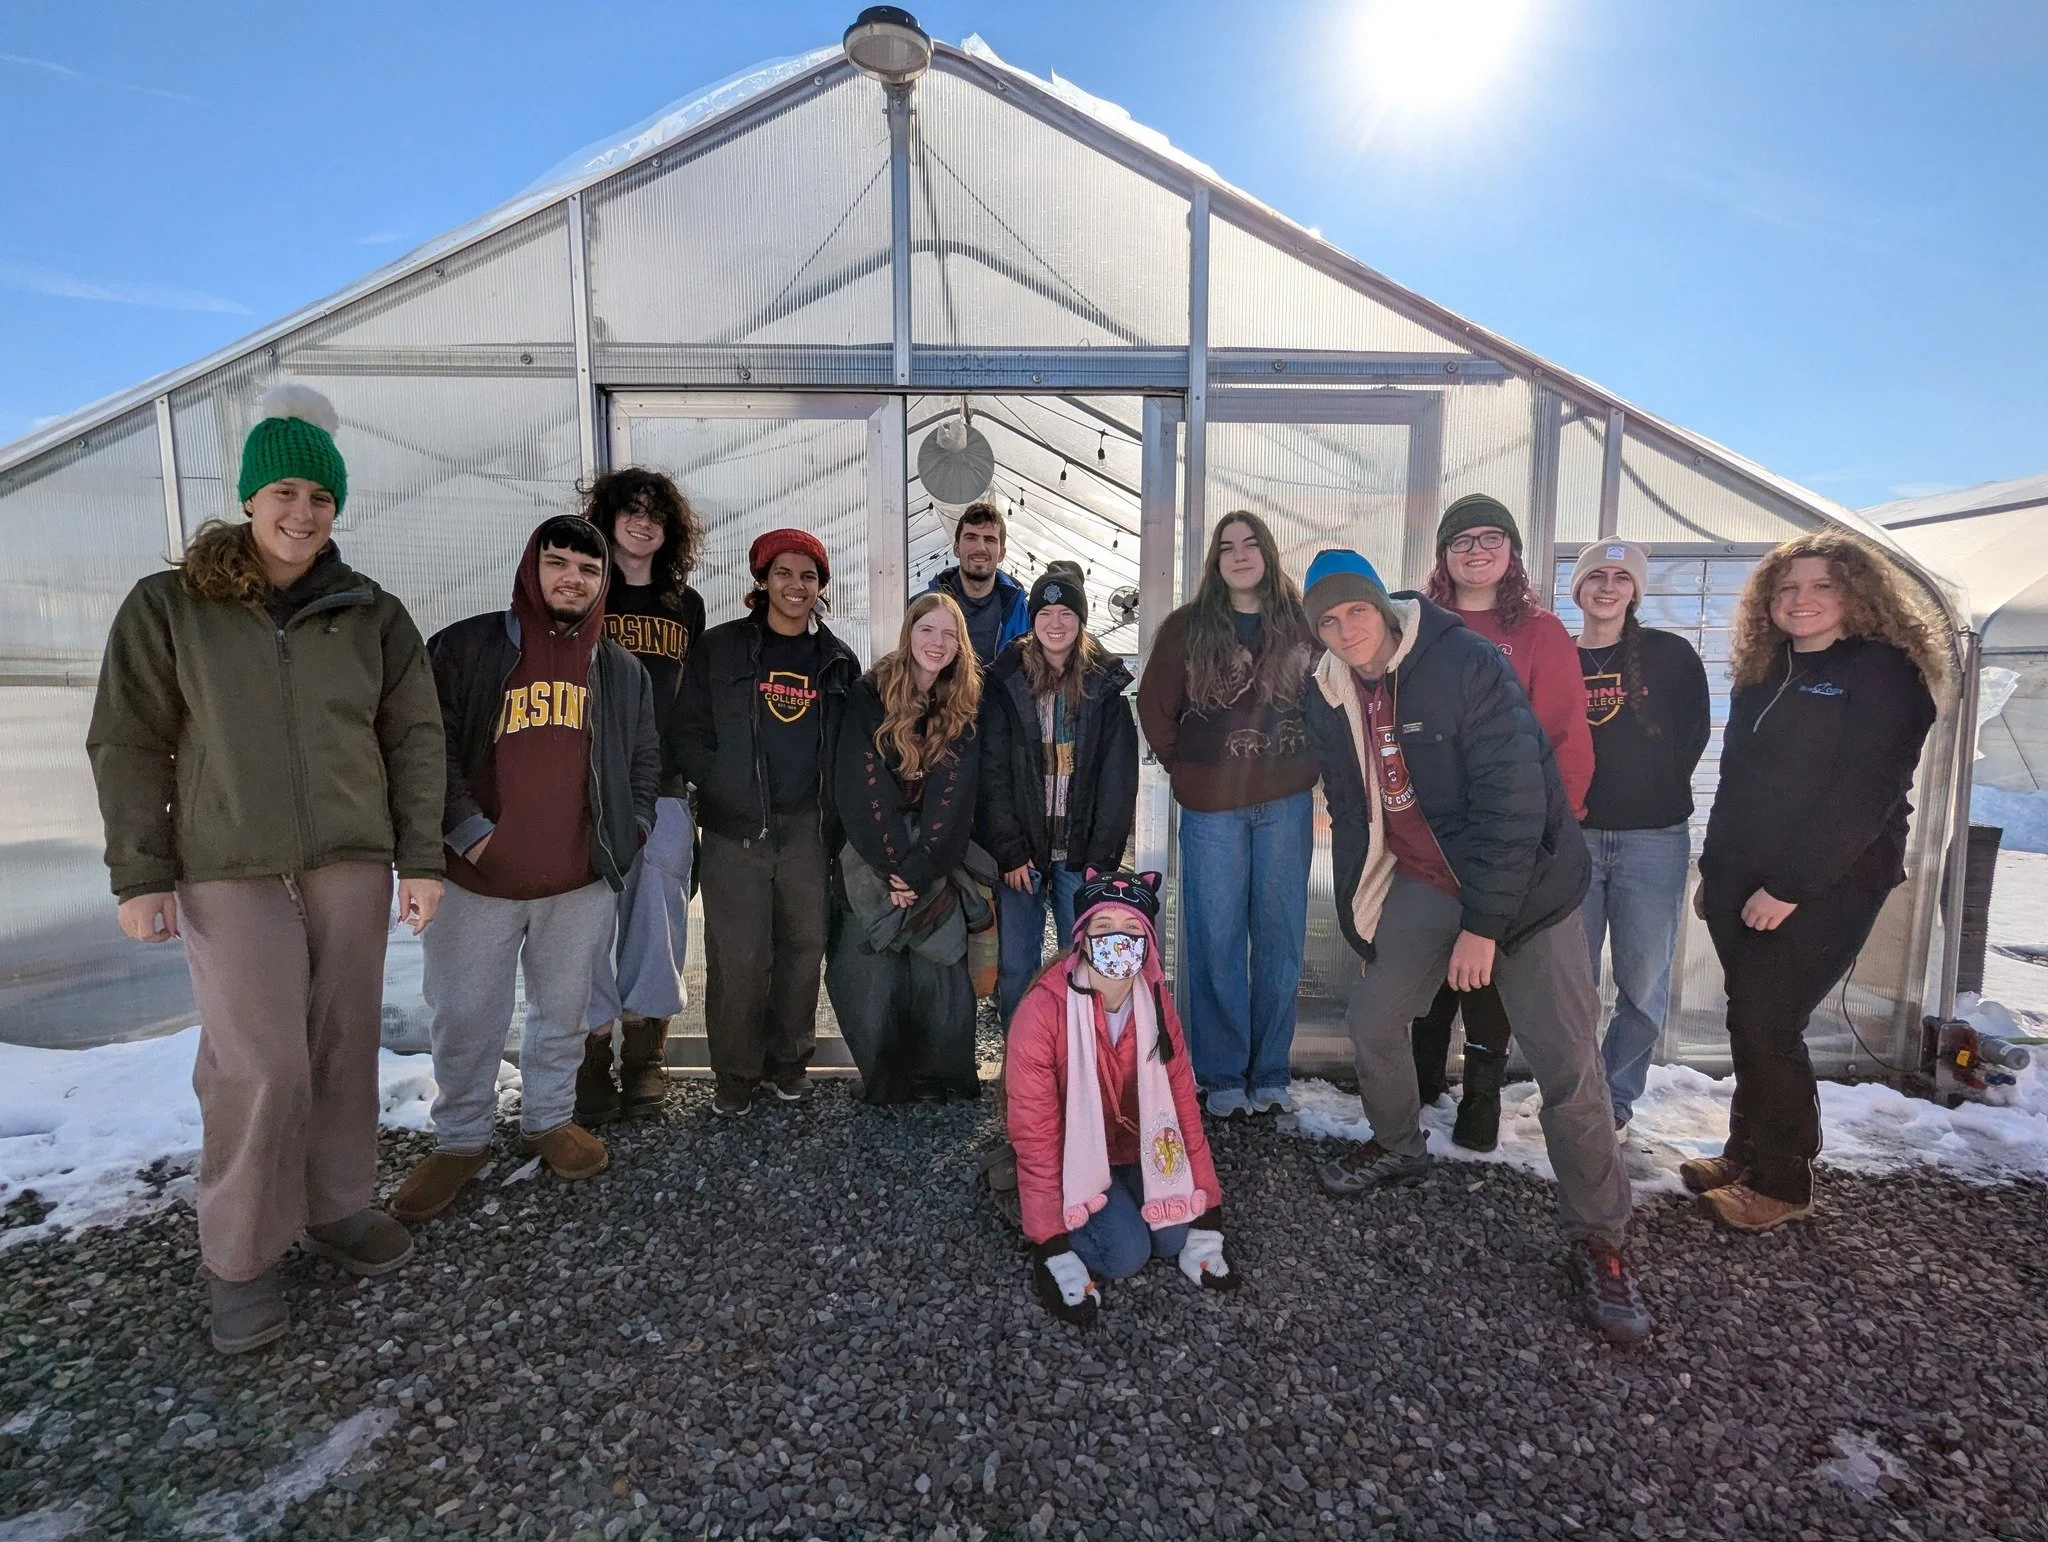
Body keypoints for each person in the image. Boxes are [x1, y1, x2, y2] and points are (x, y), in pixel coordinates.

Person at [87, 383, 446, 1354]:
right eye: (284, 492)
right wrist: (141, 872)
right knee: (261, 1063)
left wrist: (420, 856)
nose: (302, 514)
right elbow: (128, 741)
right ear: (249, 497)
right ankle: (240, 1257)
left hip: (351, 862)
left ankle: (333, 1208)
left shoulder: (371, 613)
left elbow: (414, 738)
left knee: (342, 1044)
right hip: (227, 866)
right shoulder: (172, 608)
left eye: (320, 498)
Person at [1300, 548, 1649, 1345]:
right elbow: (1353, 812)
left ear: (1383, 610)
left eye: (1355, 611)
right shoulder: (1330, 691)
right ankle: (1398, 1145)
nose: (1345, 629)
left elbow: (1517, 804)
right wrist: (1366, 922)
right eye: (1327, 620)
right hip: (1429, 876)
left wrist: (1483, 930)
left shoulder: (1463, 663)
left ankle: (1602, 1238)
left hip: (1526, 887)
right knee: (1375, 1014)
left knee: (1566, 1062)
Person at [390, 514, 660, 1222]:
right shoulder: (466, 648)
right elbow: (426, 749)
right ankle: (461, 1138)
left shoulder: (620, 668)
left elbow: (642, 760)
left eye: (588, 570)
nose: (573, 578)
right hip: (476, 879)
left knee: (562, 1013)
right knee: (467, 1013)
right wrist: (470, 835)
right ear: (531, 569)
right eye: (559, 563)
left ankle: (548, 1120)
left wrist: (626, 835)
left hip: (577, 882)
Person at [1689, 532, 1941, 1232]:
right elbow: (1734, 781)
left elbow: (1866, 793)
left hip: (1827, 883)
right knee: (1749, 1014)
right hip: (1745, 878)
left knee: (1771, 1020)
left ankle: (1783, 1181)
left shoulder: (1882, 673)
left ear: (1855, 594)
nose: (1801, 600)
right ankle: (1745, 1153)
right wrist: (1716, 871)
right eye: (1787, 588)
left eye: (1821, 586)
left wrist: (1792, 886)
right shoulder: (1765, 672)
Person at [1410, 494, 1594, 1153]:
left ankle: (1480, 1095)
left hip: (1509, 835)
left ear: (1512, 551)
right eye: (1462, 540)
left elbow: (1568, 737)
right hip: (1432, 835)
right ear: (1443, 557)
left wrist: (1548, 832)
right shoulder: (1422, 629)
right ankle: (1422, 1080)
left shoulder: (1540, 634)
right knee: (1431, 957)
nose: (1477, 549)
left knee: (1487, 968)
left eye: (1492, 537)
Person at [1135, 511, 1319, 1118]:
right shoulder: (1188, 629)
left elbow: (1335, 693)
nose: (1239, 556)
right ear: (1214, 562)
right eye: (1226, 547)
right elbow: (1154, 705)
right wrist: (1185, 771)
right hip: (1213, 809)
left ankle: (1269, 1070)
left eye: (1250, 544)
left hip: (1286, 802)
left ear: (1267, 552)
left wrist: (1315, 767)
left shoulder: (1300, 624)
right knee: (1214, 937)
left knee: (1279, 935)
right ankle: (1220, 1075)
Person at [672, 529, 859, 1117]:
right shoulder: (721, 650)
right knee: (738, 954)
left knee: (803, 949)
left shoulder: (836, 661)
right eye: (784, 573)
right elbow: (687, 730)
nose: (795, 585)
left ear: (820, 588)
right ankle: (734, 1073)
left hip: (808, 829)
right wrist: (723, 785)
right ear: (762, 580)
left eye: (808, 576)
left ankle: (789, 1063)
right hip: (737, 829)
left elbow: (851, 749)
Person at [1005, 870, 1237, 1325]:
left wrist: (1209, 1211)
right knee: (1126, 1255)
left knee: (1174, 1239)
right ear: (1082, 938)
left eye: (1132, 929)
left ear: (1148, 942)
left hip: (1133, 1150)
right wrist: (1049, 1244)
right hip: (1073, 1158)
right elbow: (1036, 1134)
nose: (1118, 940)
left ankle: (1121, 1205)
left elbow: (1182, 1105)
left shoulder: (1154, 1000)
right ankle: (1032, 1210)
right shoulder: (1043, 1010)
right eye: (1103, 927)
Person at [575, 468, 707, 1126]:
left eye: (656, 513)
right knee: (588, 921)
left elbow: (694, 697)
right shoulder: (579, 592)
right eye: (630, 509)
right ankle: (593, 1051)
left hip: (665, 787)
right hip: (585, 782)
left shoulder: (686, 605)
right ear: (607, 517)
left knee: (657, 920)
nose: (643, 522)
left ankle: (645, 1056)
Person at [1569, 541, 1711, 1134]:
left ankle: (1617, 1096)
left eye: (1621, 578)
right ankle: (1573, 1092)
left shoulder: (1670, 655)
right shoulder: (1557, 655)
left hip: (1652, 841)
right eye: (1595, 576)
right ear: (1577, 588)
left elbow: (1694, 736)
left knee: (1642, 979)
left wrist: (1646, 790)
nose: (1607, 587)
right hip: (1574, 840)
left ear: (1636, 590)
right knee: (1569, 977)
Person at [828, 591, 987, 1104]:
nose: (937, 643)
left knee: (938, 965)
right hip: (874, 846)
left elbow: (955, 793)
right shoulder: (870, 692)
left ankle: (939, 1079)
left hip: (934, 850)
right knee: (869, 967)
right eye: (927, 630)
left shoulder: (962, 700)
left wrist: (920, 870)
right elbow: (861, 779)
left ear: (960, 644)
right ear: (909, 633)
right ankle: (885, 1080)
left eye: (948, 634)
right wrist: (895, 865)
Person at [978, 561, 1139, 1023]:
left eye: (1066, 613)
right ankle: (1022, 1070)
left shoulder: (1103, 685)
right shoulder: (1005, 681)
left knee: (1083, 962)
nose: (1055, 623)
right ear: (1032, 621)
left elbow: (1117, 779)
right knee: (1017, 967)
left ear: (1081, 621)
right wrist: (1008, 851)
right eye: (1045, 614)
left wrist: (1101, 857)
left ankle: (1078, 1063)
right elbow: (992, 773)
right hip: (1020, 860)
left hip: (1079, 857)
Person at [925, 500, 1030, 666]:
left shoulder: (1023, 613)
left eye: (989, 540)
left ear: (1001, 553)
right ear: (956, 548)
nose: (980, 547)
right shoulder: (924, 610)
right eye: (971, 538)